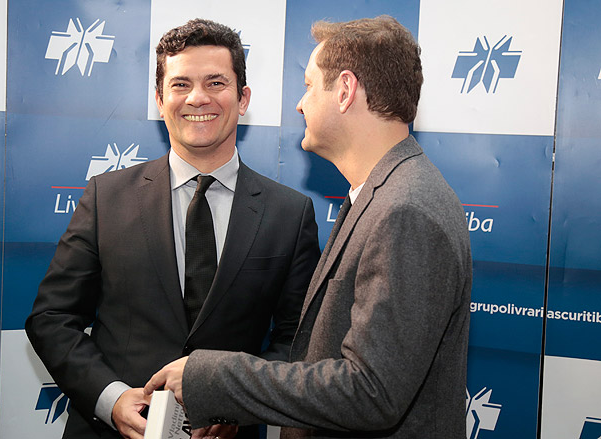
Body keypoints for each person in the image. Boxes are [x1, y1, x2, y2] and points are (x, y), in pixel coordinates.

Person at [145, 15, 472, 439]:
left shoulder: (405, 209)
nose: (300, 104)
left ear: (345, 90)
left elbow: (371, 392)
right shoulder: (383, 194)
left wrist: (211, 376)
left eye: (309, 85)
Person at [26, 18, 320, 439]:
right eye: (181, 84)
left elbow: (299, 338)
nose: (198, 97)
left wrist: (238, 403)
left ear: (243, 98)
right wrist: (111, 399)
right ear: (160, 100)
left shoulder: (289, 213)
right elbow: (52, 318)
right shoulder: (106, 196)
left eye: (216, 82)